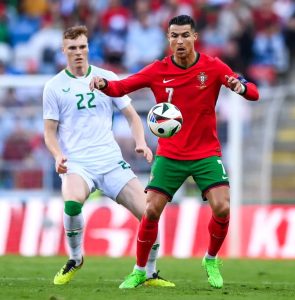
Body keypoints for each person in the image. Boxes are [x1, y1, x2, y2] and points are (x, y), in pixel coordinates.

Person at [90, 15, 259, 289]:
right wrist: (103, 84)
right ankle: (140, 270)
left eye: (184, 35)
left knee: (223, 206)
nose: (179, 41)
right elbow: (122, 86)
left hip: (206, 153)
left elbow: (253, 93)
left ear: (194, 37)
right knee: (151, 210)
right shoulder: (158, 70)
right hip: (170, 154)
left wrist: (240, 86)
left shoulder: (213, 67)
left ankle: (211, 259)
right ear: (168, 39)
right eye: (173, 36)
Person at [43, 25, 174, 288]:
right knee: (72, 203)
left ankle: (150, 273)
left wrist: (141, 143)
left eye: (82, 47)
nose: (78, 52)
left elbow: (132, 117)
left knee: (149, 212)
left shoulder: (106, 77)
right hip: (77, 163)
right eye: (72, 48)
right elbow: (49, 132)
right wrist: (58, 155)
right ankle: (76, 257)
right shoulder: (54, 86)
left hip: (111, 161)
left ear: (88, 48)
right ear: (64, 51)